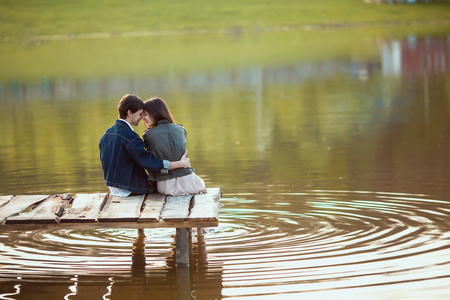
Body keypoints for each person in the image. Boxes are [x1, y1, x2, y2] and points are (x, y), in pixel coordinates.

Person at [99, 94, 191, 196]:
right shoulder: (130, 137)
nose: (142, 117)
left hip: (114, 187)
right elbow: (150, 164)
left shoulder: (106, 134)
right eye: (140, 114)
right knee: (168, 186)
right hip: (128, 188)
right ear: (129, 113)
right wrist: (181, 164)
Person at [142, 97, 206, 196]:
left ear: (154, 113)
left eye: (145, 114)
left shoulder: (148, 135)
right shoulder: (181, 129)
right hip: (191, 182)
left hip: (167, 185)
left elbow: (152, 163)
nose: (143, 118)